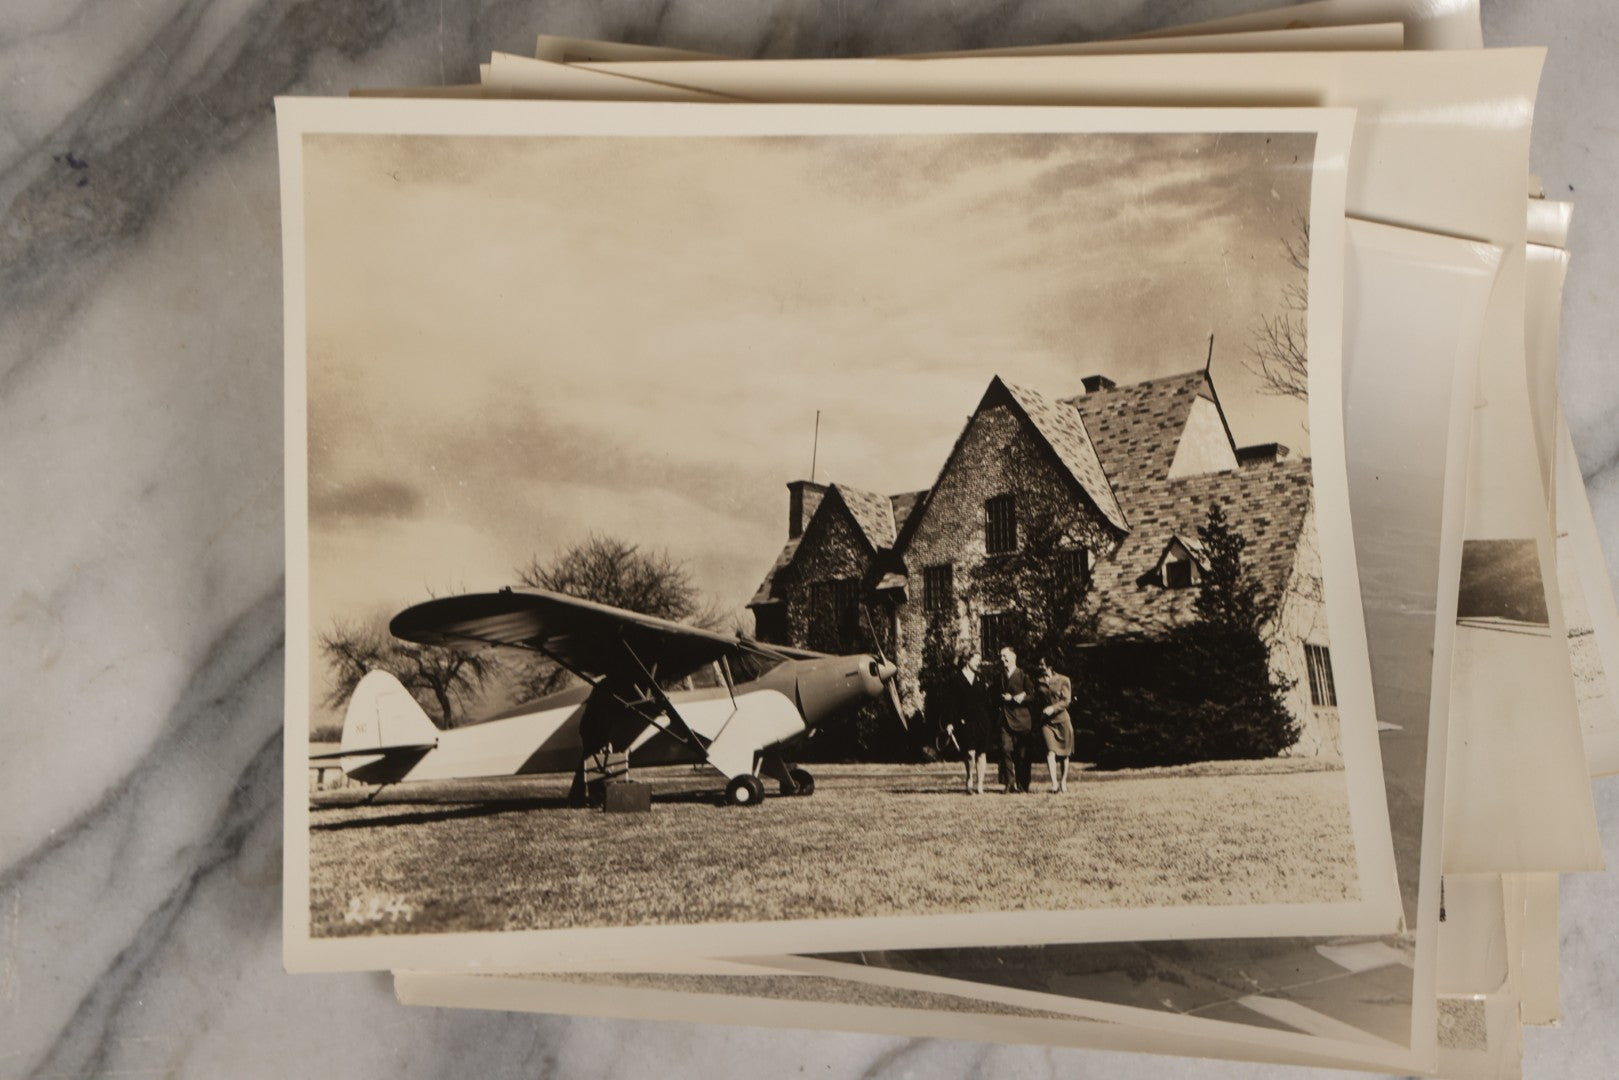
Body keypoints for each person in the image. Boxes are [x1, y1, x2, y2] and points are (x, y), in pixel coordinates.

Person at [944, 650, 994, 794]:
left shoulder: (980, 678)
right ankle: (969, 778)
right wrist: (950, 722)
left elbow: (986, 700)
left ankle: (980, 785)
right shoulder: (956, 678)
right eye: (976, 659)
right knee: (970, 753)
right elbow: (951, 703)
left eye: (979, 659)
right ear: (967, 660)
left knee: (982, 753)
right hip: (965, 721)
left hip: (982, 720)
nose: (979, 662)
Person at [997, 644, 1034, 793]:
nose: (1002, 659)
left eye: (1005, 656)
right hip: (1004, 720)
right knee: (1005, 750)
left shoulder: (1023, 676)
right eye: (1001, 656)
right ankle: (1009, 783)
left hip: (1021, 721)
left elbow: (1032, 695)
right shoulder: (999, 676)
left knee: (1022, 754)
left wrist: (1016, 698)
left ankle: (1023, 784)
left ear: (1013, 657)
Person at [1035, 656, 1075, 793]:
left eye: (1042, 664)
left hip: (1062, 721)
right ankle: (1054, 784)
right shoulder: (1039, 681)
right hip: (1047, 723)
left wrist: (1053, 708)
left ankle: (1063, 781)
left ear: (1050, 666)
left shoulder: (1064, 680)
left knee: (1064, 754)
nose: (1039, 667)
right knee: (1050, 751)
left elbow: (1067, 700)